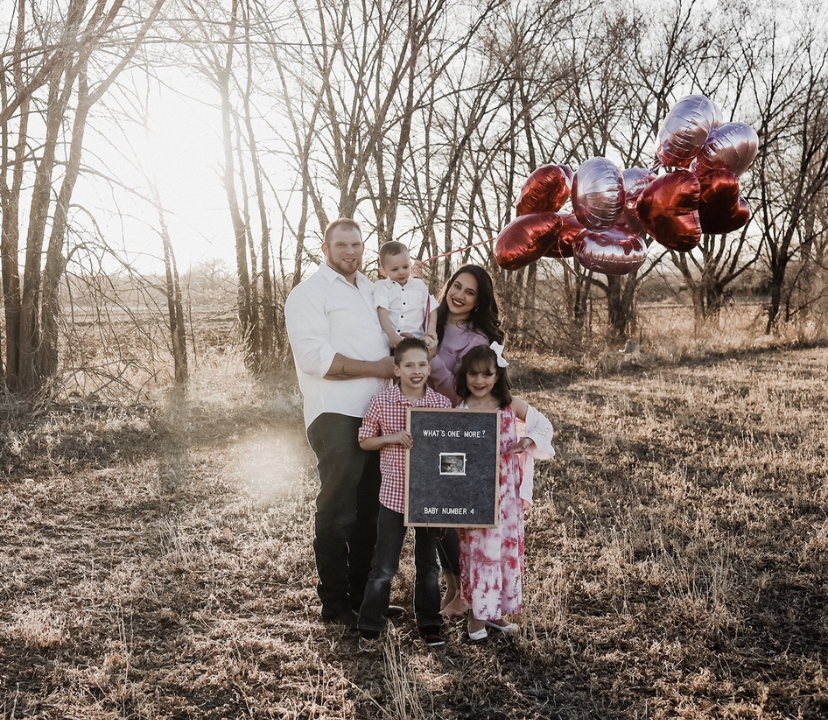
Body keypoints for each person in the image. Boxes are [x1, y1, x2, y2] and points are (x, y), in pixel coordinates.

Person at [284, 218, 395, 629]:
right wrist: (378, 367)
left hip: (379, 414)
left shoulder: (372, 289)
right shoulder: (308, 294)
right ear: (325, 248)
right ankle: (334, 607)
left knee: (371, 511)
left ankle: (364, 600)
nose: (351, 252)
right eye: (342, 245)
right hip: (336, 413)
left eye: (357, 245)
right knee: (339, 510)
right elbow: (318, 359)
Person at [453, 344, 555, 641]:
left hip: (507, 493)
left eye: (487, 374)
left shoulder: (509, 404)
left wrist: (528, 441)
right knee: (480, 552)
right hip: (477, 493)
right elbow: (452, 456)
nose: (479, 380)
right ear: (465, 375)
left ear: (497, 376)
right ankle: (476, 615)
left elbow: (543, 425)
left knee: (502, 552)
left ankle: (495, 612)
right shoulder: (461, 410)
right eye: (473, 374)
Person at [356, 338, 452, 647]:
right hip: (394, 496)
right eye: (409, 365)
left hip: (428, 497)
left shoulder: (441, 404)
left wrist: (444, 498)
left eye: (422, 364)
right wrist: (391, 438)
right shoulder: (382, 401)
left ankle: (430, 622)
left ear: (430, 368)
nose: (416, 370)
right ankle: (370, 624)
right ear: (397, 369)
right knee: (385, 565)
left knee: (428, 565)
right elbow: (364, 440)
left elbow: (449, 455)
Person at [426, 265, 505, 612]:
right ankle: (452, 587)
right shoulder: (431, 318)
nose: (459, 295)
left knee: (451, 510)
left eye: (469, 292)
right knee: (430, 511)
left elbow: (462, 391)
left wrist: (432, 361)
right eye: (456, 286)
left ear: (478, 301)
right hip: (419, 421)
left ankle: (463, 591)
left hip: (454, 428)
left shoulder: (477, 340)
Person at [374, 241, 438, 350]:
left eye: (405, 267)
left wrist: (431, 330)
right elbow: (382, 312)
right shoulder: (383, 287)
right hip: (392, 342)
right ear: (383, 272)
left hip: (417, 341)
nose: (401, 272)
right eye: (395, 269)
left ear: (410, 265)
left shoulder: (419, 285)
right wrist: (391, 334)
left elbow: (431, 308)